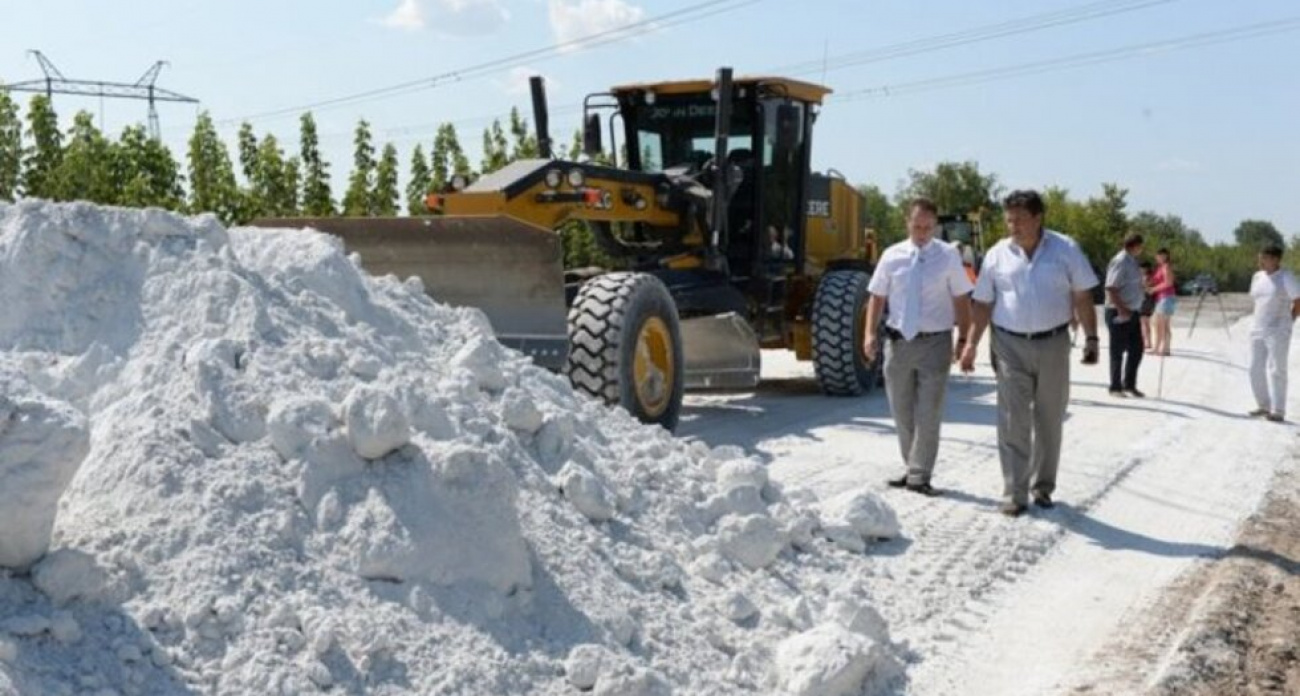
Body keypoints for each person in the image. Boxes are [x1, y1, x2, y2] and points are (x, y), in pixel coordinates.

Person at [959, 190, 1099, 517]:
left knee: (1050, 418)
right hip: (1009, 344)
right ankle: (1015, 492)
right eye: (1009, 220)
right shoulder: (997, 254)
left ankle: (1042, 488)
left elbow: (1082, 295)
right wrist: (970, 343)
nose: (1013, 226)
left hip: (1053, 343)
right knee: (1012, 419)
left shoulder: (1065, 249)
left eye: (1020, 220)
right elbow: (983, 304)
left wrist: (1092, 338)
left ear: (1038, 218)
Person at [863, 197, 974, 496]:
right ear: (907, 223)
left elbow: (961, 299)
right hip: (897, 344)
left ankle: (919, 474)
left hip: (935, 343)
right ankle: (911, 465)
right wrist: (869, 334)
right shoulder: (891, 255)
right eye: (917, 226)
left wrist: (964, 339)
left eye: (928, 227)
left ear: (935, 226)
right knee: (901, 412)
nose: (922, 233)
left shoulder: (948, 256)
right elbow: (877, 296)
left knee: (928, 413)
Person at [1247, 244, 1300, 422]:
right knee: (1254, 369)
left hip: (1278, 330)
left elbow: (1298, 301)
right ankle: (1263, 405)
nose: (1261, 261)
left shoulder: (1286, 277)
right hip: (1257, 329)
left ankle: (1278, 410)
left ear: (1276, 259)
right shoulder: (1257, 277)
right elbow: (1257, 301)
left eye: (1264, 258)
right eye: (1260, 257)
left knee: (1277, 369)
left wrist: (1289, 321)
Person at [1104, 233, 1147, 397]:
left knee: (1137, 349)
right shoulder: (1120, 261)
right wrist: (1121, 309)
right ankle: (1115, 387)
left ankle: (1129, 384)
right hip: (1119, 311)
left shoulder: (1132, 261)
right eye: (1141, 246)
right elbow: (1111, 287)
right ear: (1135, 245)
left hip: (1133, 311)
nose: (1141, 249)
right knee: (1117, 350)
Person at [1149, 248, 1177, 355]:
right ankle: (1162, 348)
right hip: (1162, 298)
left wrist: (1154, 289)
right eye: (1157, 255)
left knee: (1162, 325)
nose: (1158, 257)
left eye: (1160, 255)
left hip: (1166, 298)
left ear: (1165, 256)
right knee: (1159, 324)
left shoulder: (1166, 267)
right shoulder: (1161, 267)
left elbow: (1168, 282)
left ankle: (1163, 349)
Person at [1139, 260, 1156, 351]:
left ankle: (1146, 342)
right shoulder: (1149, 277)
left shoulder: (1147, 277)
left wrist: (1142, 286)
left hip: (1145, 301)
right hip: (1147, 301)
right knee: (1145, 323)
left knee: (1143, 323)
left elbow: (1148, 289)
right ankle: (1148, 342)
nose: (1140, 269)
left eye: (1142, 268)